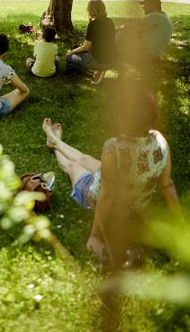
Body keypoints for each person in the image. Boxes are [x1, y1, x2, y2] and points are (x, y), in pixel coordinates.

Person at [43, 86, 180, 265]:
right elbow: (167, 185)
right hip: (134, 201)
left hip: (105, 202)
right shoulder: (159, 140)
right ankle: (57, 142)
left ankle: (54, 144)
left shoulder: (113, 147)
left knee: (73, 165)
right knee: (85, 158)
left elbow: (105, 196)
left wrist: (95, 237)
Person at [66, 0, 117, 83]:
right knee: (75, 48)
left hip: (100, 60)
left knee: (70, 58)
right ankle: (98, 70)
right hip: (112, 58)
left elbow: (85, 47)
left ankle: (94, 72)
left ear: (90, 10)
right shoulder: (110, 21)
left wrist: (71, 53)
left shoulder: (93, 24)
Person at [117, 0, 173, 64]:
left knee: (122, 33)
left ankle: (107, 53)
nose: (143, 8)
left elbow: (131, 25)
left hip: (147, 54)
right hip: (153, 54)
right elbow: (138, 30)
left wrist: (115, 29)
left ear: (152, 5)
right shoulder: (163, 17)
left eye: (145, 5)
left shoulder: (155, 15)